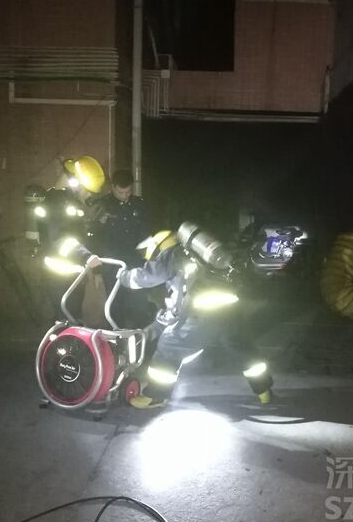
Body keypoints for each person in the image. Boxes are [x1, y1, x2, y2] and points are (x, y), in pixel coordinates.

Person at [102, 221, 274, 409]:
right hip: (230, 308)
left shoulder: (172, 254)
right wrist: (152, 329)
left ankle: (156, 396)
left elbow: (147, 277)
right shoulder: (199, 259)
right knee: (243, 349)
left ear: (159, 246)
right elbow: (175, 309)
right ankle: (264, 391)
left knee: (169, 346)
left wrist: (123, 276)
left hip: (203, 311)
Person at [30, 156, 106, 321]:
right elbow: (61, 240)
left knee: (73, 319)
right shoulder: (56, 203)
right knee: (65, 321)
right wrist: (87, 256)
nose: (88, 195)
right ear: (76, 182)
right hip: (59, 275)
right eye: (87, 190)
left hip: (72, 274)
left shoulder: (69, 202)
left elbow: (77, 234)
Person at [88, 168, 151, 328]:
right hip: (112, 264)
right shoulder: (102, 206)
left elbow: (146, 233)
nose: (125, 195)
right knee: (115, 304)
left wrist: (148, 260)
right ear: (113, 187)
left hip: (136, 262)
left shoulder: (139, 204)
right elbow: (94, 240)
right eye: (120, 192)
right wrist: (96, 271)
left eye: (128, 192)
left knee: (139, 302)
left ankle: (140, 336)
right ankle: (117, 337)